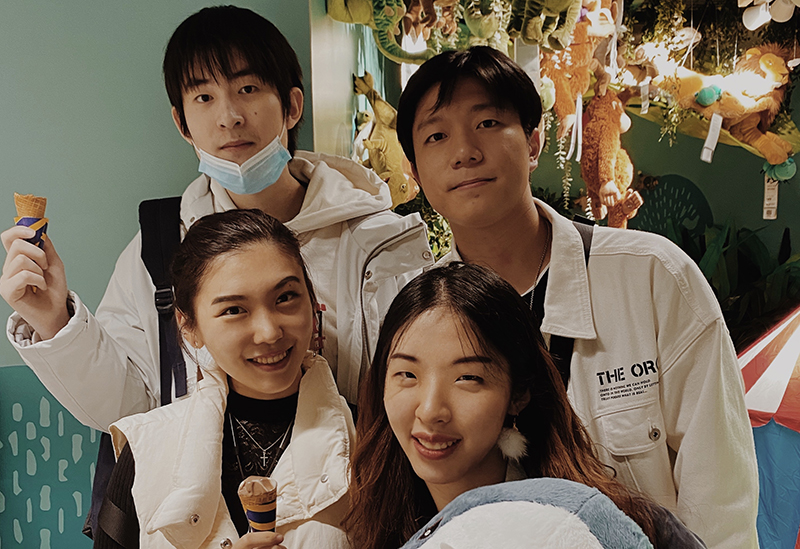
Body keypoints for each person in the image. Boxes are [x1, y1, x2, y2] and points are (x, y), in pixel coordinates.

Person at [0, 5, 432, 434]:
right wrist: (54, 322)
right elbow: (133, 408)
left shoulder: (377, 240)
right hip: (210, 479)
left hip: (357, 472)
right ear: (182, 123)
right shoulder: (162, 245)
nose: (229, 117)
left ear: (292, 105)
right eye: (204, 97)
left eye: (248, 88)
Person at [393, 47, 758, 548]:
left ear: (534, 141)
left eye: (487, 123)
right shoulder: (420, 320)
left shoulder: (652, 277)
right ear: (414, 172)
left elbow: (721, 501)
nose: (464, 152)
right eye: (436, 136)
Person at [345, 263, 706, 549]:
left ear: (518, 393)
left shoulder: (599, 527)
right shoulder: (373, 527)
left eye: (468, 378)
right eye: (407, 374)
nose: (430, 410)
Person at [93, 209, 353, 549]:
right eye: (234, 310)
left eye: (285, 297)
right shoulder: (147, 448)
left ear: (312, 302)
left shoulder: (370, 439)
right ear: (190, 327)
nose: (269, 332)